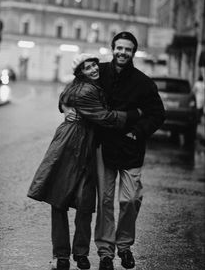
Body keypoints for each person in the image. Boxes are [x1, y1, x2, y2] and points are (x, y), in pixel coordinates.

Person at [27, 53, 142, 270]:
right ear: (80, 72)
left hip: (80, 144)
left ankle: (69, 255)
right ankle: (70, 255)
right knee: (70, 200)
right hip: (72, 145)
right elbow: (105, 117)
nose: (94, 70)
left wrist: (64, 106)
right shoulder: (88, 89)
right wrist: (134, 115)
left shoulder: (81, 85)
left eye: (94, 65)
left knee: (77, 201)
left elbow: (63, 98)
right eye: (88, 67)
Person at [65, 32, 165, 269]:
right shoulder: (99, 72)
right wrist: (65, 105)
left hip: (132, 148)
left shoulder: (144, 82)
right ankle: (106, 252)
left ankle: (125, 246)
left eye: (127, 49)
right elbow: (75, 88)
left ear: (133, 52)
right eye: (119, 48)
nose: (122, 52)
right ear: (112, 49)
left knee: (131, 199)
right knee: (106, 202)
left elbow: (158, 114)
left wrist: (138, 131)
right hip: (104, 146)